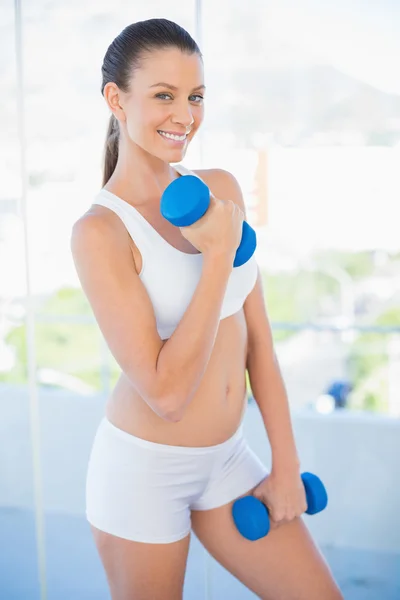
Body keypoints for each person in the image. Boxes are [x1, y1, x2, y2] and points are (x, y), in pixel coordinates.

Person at [71, 18, 343, 600]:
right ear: (115, 99)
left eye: (195, 97)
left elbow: (258, 340)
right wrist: (217, 255)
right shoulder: (100, 232)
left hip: (228, 458)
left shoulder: (221, 188)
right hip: (143, 471)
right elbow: (165, 396)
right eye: (163, 96)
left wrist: (285, 464)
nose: (185, 116)